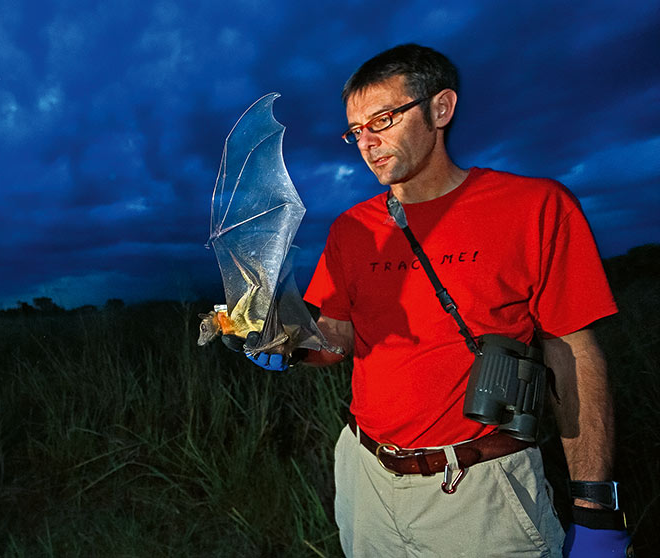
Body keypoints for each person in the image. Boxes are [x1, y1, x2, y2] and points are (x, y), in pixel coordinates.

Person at [243, 44, 633, 557]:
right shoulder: (352, 229)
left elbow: (573, 354)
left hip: (481, 488)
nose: (368, 142)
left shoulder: (534, 207)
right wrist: (286, 341)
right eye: (356, 130)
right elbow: (337, 339)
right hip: (367, 481)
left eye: (382, 119)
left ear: (440, 108)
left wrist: (595, 506)